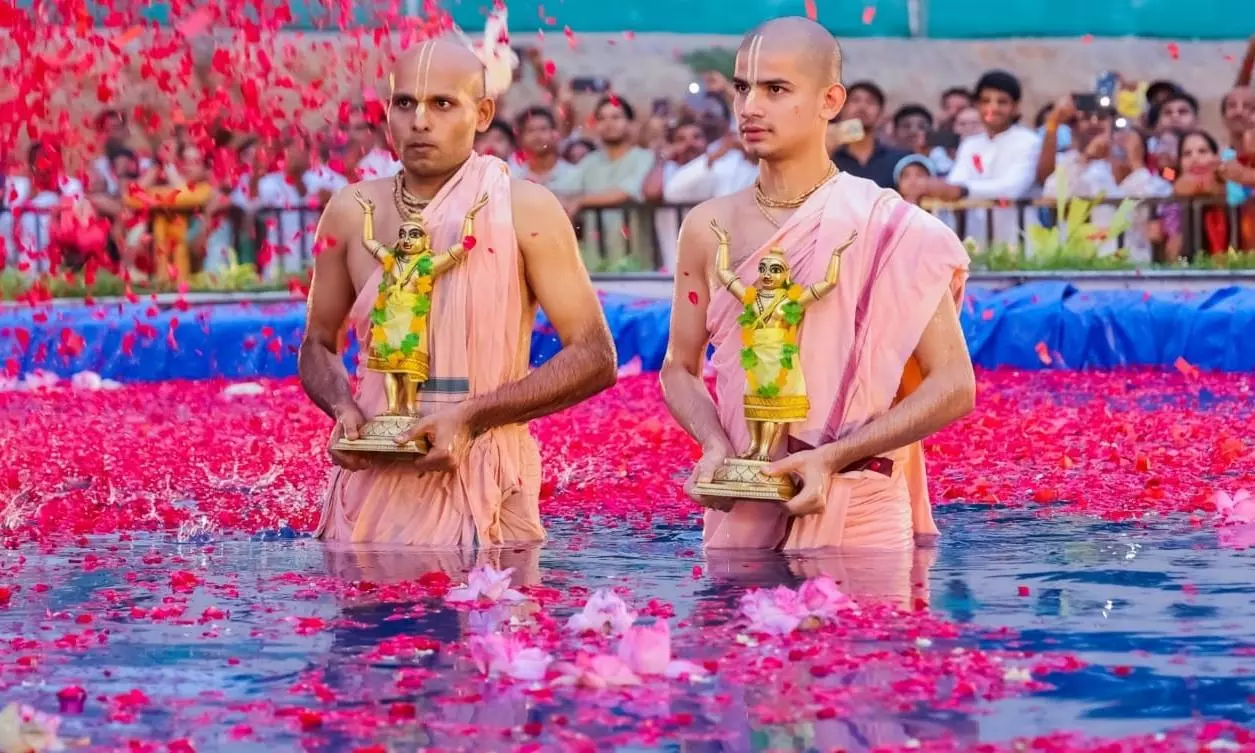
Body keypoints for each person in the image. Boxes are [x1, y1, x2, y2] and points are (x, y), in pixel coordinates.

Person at [660, 17, 974, 552]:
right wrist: (714, 445)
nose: (750, 107)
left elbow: (954, 386)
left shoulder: (890, 227)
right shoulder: (707, 227)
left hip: (859, 505)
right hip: (744, 505)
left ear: (831, 101)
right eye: (742, 87)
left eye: (776, 89)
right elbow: (678, 368)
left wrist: (831, 457)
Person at [301, 37, 617, 548]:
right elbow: (318, 343)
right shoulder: (350, 210)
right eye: (405, 103)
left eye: (442, 103)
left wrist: (471, 418)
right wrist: (343, 407)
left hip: (483, 481)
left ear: (483, 113)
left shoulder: (525, 209)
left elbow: (595, 356)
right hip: (370, 489)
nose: (420, 121)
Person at [921, 69, 1041, 247]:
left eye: (1002, 102)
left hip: (1019, 240)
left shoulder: (1029, 141)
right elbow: (956, 182)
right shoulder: (970, 144)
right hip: (976, 241)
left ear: (1015, 107)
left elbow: (1012, 188)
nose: (993, 108)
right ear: (977, 106)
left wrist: (962, 190)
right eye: (985, 101)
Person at [830, 81, 909, 188]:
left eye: (870, 102)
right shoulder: (829, 159)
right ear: (842, 109)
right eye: (855, 100)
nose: (862, 107)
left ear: (881, 114)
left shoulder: (899, 161)